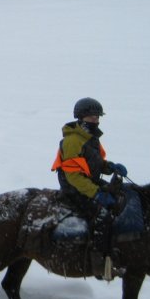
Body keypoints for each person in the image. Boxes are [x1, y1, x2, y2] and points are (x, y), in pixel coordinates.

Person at [52, 97, 128, 280]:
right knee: (102, 216)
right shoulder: (72, 141)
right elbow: (74, 176)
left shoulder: (90, 139)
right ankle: (99, 263)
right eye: (92, 117)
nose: (96, 120)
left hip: (89, 183)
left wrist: (109, 167)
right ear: (81, 117)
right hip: (74, 189)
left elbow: (95, 164)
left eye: (97, 117)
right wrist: (96, 193)